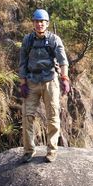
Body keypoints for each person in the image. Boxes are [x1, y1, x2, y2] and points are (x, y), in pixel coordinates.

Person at [18, 9, 70, 163]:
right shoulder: (28, 40)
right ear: (33, 23)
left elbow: (63, 61)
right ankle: (28, 150)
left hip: (50, 81)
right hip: (32, 81)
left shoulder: (54, 39)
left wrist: (65, 78)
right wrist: (23, 83)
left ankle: (52, 150)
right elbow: (22, 62)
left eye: (42, 21)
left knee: (52, 116)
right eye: (36, 21)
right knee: (27, 116)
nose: (39, 24)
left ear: (47, 23)